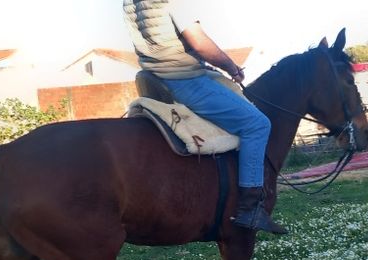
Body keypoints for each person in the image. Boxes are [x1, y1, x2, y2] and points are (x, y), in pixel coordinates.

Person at [123, 0, 287, 235]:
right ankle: (250, 207)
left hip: (155, 75)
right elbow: (200, 44)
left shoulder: (131, 3)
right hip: (184, 79)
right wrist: (231, 67)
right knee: (257, 124)